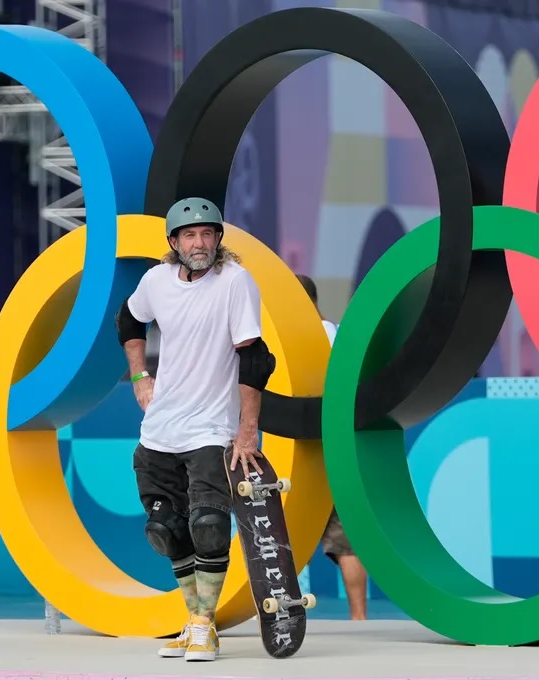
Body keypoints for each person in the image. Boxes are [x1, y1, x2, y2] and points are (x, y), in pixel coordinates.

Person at [116, 197, 274, 662]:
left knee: (207, 525)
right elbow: (129, 318)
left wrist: (247, 432)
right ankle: (193, 621)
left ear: (219, 239)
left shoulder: (235, 282)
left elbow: (255, 358)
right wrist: (140, 376)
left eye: (207, 234)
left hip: (211, 427)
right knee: (165, 529)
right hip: (160, 428)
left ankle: (205, 624)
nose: (199, 243)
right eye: (189, 235)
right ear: (173, 242)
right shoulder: (157, 281)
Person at [296, 274, 368, 621]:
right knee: (345, 541)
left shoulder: (296, 335)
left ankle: (276, 613)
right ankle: (359, 617)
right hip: (337, 445)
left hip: (303, 448)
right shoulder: (336, 333)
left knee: (287, 533)